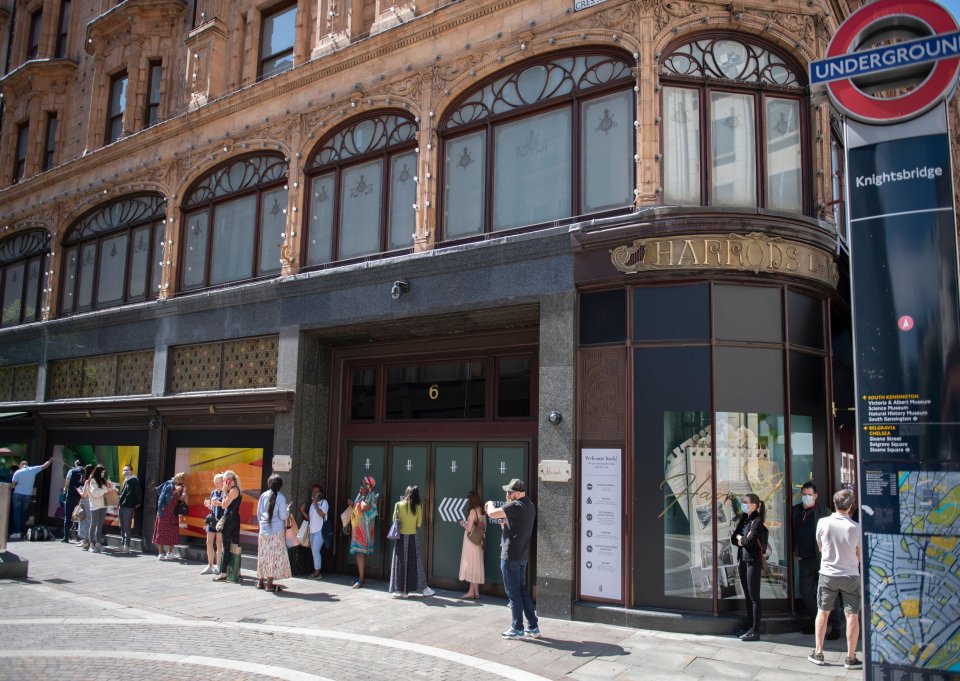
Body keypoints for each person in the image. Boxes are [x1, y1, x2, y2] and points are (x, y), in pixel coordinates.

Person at [808, 488, 862, 669]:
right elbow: (859, 554)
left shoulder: (823, 522)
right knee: (852, 615)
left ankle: (818, 651)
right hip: (850, 575)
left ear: (835, 503)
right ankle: (851, 657)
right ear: (851, 506)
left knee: (823, 612)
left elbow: (820, 546)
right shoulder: (856, 528)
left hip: (828, 574)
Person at [484, 479, 539, 639]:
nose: (507, 495)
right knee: (522, 591)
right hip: (521, 555)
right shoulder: (529, 505)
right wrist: (506, 524)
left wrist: (489, 504)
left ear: (518, 493)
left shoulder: (516, 505)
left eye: (509, 492)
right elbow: (517, 525)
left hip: (510, 555)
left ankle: (517, 628)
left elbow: (493, 513)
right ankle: (533, 627)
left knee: (513, 593)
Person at [792, 481, 841, 638]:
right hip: (804, 559)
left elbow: (833, 533)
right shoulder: (795, 511)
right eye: (804, 494)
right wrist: (796, 551)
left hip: (823, 559)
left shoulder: (823, 512)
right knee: (806, 592)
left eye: (809, 495)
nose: (807, 497)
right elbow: (792, 532)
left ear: (816, 496)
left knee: (829, 592)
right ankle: (820, 622)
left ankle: (836, 627)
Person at [731, 493, 767, 642]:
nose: (743, 504)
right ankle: (749, 626)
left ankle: (755, 630)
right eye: (742, 502)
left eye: (745, 502)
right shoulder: (745, 520)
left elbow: (748, 541)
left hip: (753, 561)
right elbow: (735, 538)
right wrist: (741, 539)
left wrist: (742, 539)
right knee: (747, 596)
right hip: (743, 561)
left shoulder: (757, 522)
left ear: (754, 505)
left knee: (754, 597)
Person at [389, 485, 434, 598]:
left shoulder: (398, 505)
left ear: (406, 492)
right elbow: (418, 524)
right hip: (412, 537)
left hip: (400, 538)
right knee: (416, 563)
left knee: (400, 563)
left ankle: (402, 591)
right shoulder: (418, 507)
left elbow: (394, 520)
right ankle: (424, 588)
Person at [256, 474, 292, 592]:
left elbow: (259, 513)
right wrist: (287, 511)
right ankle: (269, 584)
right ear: (280, 486)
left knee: (263, 555)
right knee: (273, 557)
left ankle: (260, 582)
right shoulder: (281, 498)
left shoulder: (263, 495)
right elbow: (282, 516)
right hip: (276, 531)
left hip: (263, 531)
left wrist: (262, 525)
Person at [347, 475, 379, 589]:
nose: (362, 486)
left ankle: (361, 580)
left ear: (370, 486)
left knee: (360, 553)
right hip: (357, 528)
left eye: (365, 484)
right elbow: (357, 508)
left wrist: (363, 505)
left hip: (364, 530)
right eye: (362, 483)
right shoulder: (360, 495)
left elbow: (373, 511)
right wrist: (353, 504)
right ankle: (361, 577)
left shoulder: (371, 496)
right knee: (358, 553)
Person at [9, 458, 52, 539]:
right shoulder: (33, 470)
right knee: (24, 513)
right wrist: (50, 461)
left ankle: (17, 532)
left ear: (21, 465)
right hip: (28, 495)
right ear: (27, 464)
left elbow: (13, 485)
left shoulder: (17, 472)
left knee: (17, 513)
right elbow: (44, 466)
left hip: (17, 494)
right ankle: (22, 530)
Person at [213, 470, 243, 583]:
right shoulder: (237, 490)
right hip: (235, 518)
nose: (224, 483)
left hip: (230, 519)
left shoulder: (233, 491)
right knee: (235, 544)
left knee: (226, 546)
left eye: (225, 480)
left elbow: (225, 505)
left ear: (229, 480)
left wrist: (224, 492)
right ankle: (237, 571)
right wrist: (219, 503)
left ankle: (223, 573)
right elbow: (227, 504)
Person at [153, 472, 187, 560]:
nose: (180, 482)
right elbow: (162, 497)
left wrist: (183, 495)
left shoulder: (182, 487)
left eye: (182, 480)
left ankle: (170, 553)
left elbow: (181, 499)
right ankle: (160, 553)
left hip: (173, 513)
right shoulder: (169, 485)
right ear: (175, 479)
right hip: (164, 511)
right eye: (179, 479)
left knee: (172, 532)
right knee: (161, 531)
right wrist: (176, 491)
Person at [458, 491, 485, 599]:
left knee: (470, 565)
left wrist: (462, 523)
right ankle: (475, 591)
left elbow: (469, 528)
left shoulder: (473, 511)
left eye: (469, 500)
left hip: (471, 541)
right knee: (476, 565)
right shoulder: (482, 511)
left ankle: (471, 592)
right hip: (479, 541)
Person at [83, 464, 115, 553]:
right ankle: (91, 545)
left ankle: (98, 543)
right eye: (102, 472)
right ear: (98, 472)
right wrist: (106, 490)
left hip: (103, 505)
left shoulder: (103, 480)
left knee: (100, 525)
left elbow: (106, 491)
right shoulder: (92, 481)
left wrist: (110, 487)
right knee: (93, 525)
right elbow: (95, 493)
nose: (103, 474)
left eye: (104, 472)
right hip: (95, 505)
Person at [300, 483, 328, 579]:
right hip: (312, 531)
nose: (314, 493)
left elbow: (323, 515)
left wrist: (316, 505)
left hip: (320, 531)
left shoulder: (324, 503)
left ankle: (317, 572)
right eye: (313, 491)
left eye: (316, 491)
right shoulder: (312, 504)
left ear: (320, 493)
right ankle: (316, 570)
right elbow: (309, 518)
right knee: (314, 552)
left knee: (315, 551)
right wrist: (302, 511)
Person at [201, 473, 225, 575]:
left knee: (219, 544)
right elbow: (213, 507)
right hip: (212, 520)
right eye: (216, 483)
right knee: (209, 543)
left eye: (219, 483)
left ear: (223, 482)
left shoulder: (225, 493)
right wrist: (209, 505)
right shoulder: (213, 492)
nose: (217, 485)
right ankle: (210, 565)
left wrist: (218, 504)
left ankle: (218, 565)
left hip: (220, 521)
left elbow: (226, 507)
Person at [117, 464, 142, 554]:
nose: (125, 471)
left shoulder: (134, 481)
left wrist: (137, 503)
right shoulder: (126, 481)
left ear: (131, 471)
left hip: (129, 506)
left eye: (127, 470)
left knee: (126, 526)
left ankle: (126, 545)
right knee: (122, 526)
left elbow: (138, 493)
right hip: (122, 506)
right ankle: (122, 544)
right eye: (124, 470)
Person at [61, 460, 85, 543]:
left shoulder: (72, 471)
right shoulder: (86, 472)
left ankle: (66, 537)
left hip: (71, 495)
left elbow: (67, 484)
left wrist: (64, 490)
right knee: (79, 516)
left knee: (67, 516)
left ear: (76, 465)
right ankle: (79, 537)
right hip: (80, 497)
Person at [75, 464, 95, 549]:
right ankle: (85, 540)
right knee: (88, 522)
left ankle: (85, 541)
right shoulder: (94, 480)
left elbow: (84, 495)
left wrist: (78, 491)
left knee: (84, 521)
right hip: (91, 503)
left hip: (86, 503)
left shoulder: (88, 481)